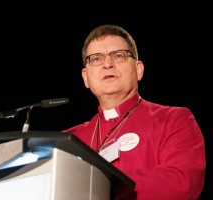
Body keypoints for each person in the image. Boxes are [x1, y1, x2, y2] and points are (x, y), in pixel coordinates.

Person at [63, 24, 206, 199]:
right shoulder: (70, 139)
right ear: (85, 77)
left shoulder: (174, 120)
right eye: (96, 59)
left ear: (139, 69)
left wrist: (105, 183)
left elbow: (182, 183)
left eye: (119, 56)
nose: (107, 64)